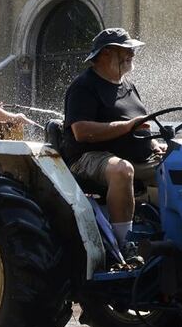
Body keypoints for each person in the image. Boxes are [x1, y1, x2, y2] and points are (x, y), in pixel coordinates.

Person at [61, 28, 161, 252]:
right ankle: (124, 245)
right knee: (122, 170)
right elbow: (81, 131)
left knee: (181, 167)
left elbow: (140, 125)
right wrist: (127, 127)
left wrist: (154, 144)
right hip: (90, 158)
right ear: (105, 54)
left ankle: (179, 235)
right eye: (126, 50)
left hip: (138, 157)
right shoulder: (83, 86)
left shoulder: (129, 86)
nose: (132, 54)